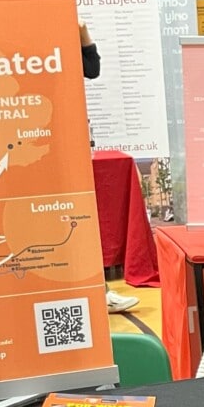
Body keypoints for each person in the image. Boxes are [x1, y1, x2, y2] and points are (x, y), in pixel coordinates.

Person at [80, 18, 140, 314]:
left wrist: (81, 30)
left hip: (73, 139)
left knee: (83, 219)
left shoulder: (67, 34)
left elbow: (93, 70)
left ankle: (99, 292)